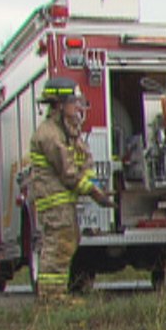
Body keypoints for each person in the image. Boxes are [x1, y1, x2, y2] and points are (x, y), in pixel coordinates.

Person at [27, 77, 114, 303]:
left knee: (67, 243)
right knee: (58, 245)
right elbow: (67, 172)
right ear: (59, 104)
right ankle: (51, 297)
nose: (78, 106)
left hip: (65, 202)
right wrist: (95, 194)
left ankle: (55, 294)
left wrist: (94, 184)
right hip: (54, 202)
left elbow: (84, 160)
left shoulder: (67, 131)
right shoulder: (49, 135)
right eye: (74, 101)